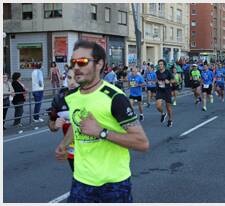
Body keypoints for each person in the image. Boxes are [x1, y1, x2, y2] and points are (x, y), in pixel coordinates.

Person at [55, 40, 149, 203]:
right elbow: (79, 125)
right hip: (81, 180)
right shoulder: (73, 97)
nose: (76, 67)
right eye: (73, 62)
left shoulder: (115, 97)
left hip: (113, 185)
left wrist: (101, 132)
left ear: (99, 64)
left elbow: (142, 143)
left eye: (83, 62)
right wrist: (64, 144)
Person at [48, 67, 79, 171]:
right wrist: (55, 125)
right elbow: (52, 125)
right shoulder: (59, 98)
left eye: (77, 78)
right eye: (69, 78)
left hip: (93, 152)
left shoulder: (92, 97)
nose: (72, 82)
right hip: (72, 152)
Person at [155, 59, 174, 127]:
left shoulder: (168, 72)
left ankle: (170, 120)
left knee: (168, 107)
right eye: (159, 64)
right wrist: (156, 81)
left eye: (161, 64)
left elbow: (173, 80)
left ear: (164, 65)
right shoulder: (157, 72)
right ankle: (163, 113)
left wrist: (169, 82)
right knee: (158, 106)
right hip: (160, 90)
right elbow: (156, 79)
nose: (160, 66)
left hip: (167, 91)